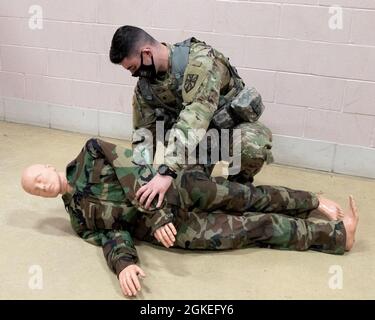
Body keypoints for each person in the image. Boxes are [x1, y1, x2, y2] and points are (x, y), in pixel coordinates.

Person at [21, 138, 359, 297]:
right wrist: (123, 263)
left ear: (49, 168)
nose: (41, 186)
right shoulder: (79, 220)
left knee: (248, 197)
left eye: (38, 178)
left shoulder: (92, 153)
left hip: (180, 191)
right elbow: (113, 234)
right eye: (35, 190)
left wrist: (156, 216)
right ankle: (337, 235)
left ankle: (312, 200)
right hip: (176, 231)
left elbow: (135, 173)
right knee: (252, 227)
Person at [109, 25, 274, 212]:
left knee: (253, 147)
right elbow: (143, 135)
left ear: (146, 53)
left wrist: (167, 171)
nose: (134, 74)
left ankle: (240, 186)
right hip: (198, 142)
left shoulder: (200, 61)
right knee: (187, 196)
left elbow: (195, 116)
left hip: (229, 131)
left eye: (134, 68)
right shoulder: (145, 89)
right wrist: (141, 179)